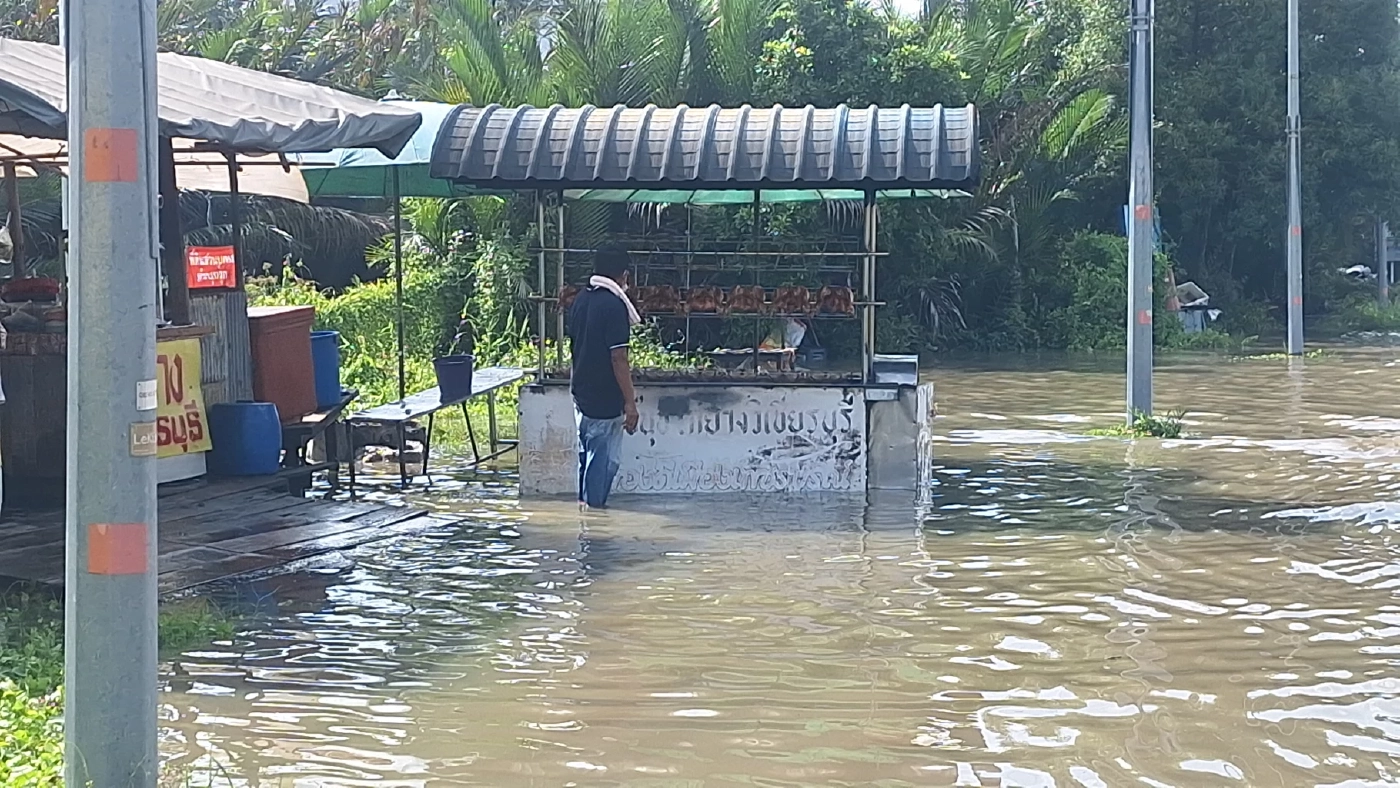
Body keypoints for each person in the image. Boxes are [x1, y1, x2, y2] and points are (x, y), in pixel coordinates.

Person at [567, 246, 640, 509]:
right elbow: (618, 358)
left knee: (587, 456)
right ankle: (594, 518)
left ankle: (584, 508)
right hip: (603, 397)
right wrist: (630, 402)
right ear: (623, 275)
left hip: (581, 392)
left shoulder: (580, 300)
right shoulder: (613, 306)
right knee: (605, 461)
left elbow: (575, 347)